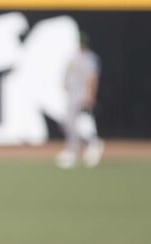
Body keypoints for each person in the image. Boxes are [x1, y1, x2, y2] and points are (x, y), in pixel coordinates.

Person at [56, 31, 104, 169]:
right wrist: (65, 84)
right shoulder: (74, 56)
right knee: (68, 123)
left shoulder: (90, 58)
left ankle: (89, 145)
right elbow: (68, 73)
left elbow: (92, 78)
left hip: (82, 96)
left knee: (82, 124)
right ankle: (76, 149)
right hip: (72, 95)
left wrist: (90, 95)